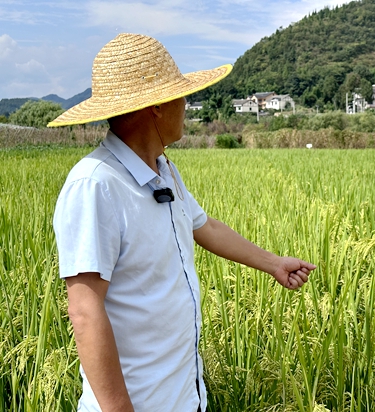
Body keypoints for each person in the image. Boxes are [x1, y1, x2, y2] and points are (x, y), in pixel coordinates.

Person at [49, 33, 316, 412]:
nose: (186, 104)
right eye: (181, 95)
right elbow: (85, 311)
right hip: (137, 403)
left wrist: (274, 264)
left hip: (184, 396)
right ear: (156, 105)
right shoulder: (95, 185)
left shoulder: (163, 170)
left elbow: (205, 227)